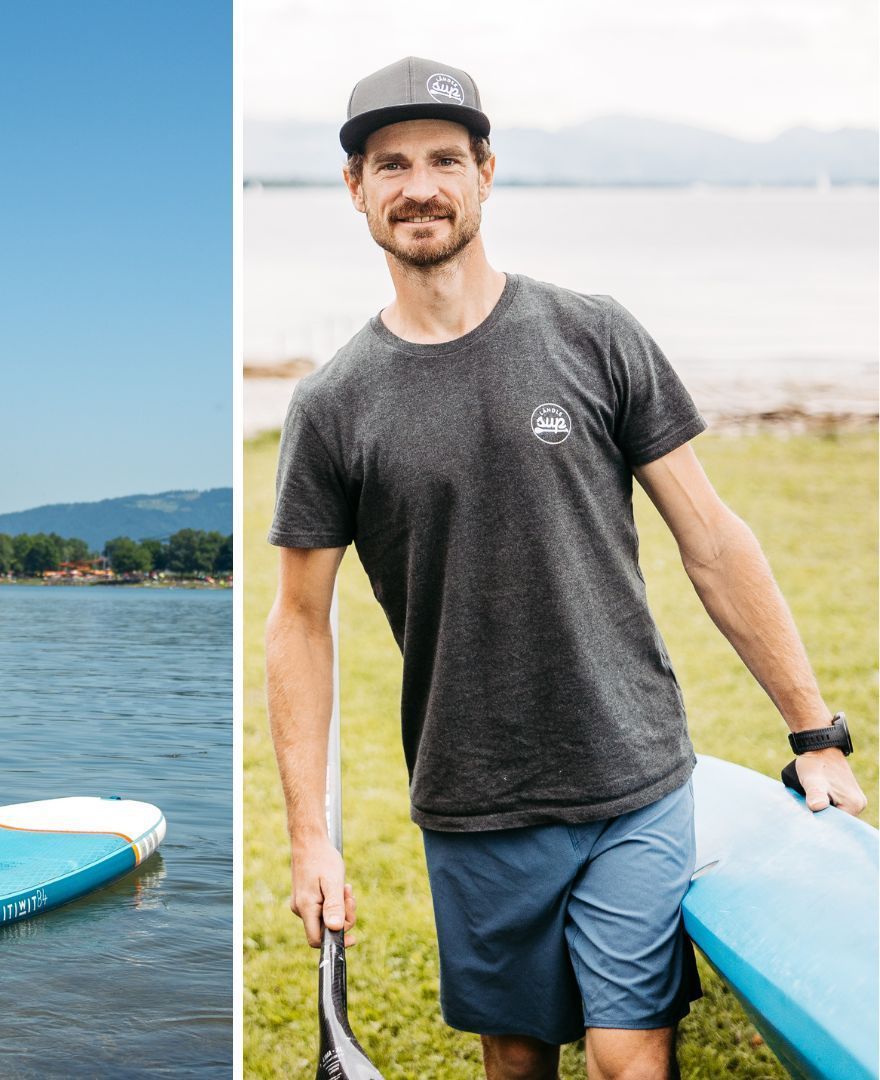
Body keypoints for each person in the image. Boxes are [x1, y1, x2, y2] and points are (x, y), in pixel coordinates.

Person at [265, 57, 867, 1080]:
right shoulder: (334, 405)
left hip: (630, 772)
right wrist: (308, 838)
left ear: (487, 173)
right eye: (393, 164)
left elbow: (711, 538)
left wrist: (814, 732)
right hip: (475, 797)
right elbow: (299, 623)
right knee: (516, 1060)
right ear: (356, 187)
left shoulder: (591, 333)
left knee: (628, 1058)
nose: (422, 186)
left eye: (446, 160)